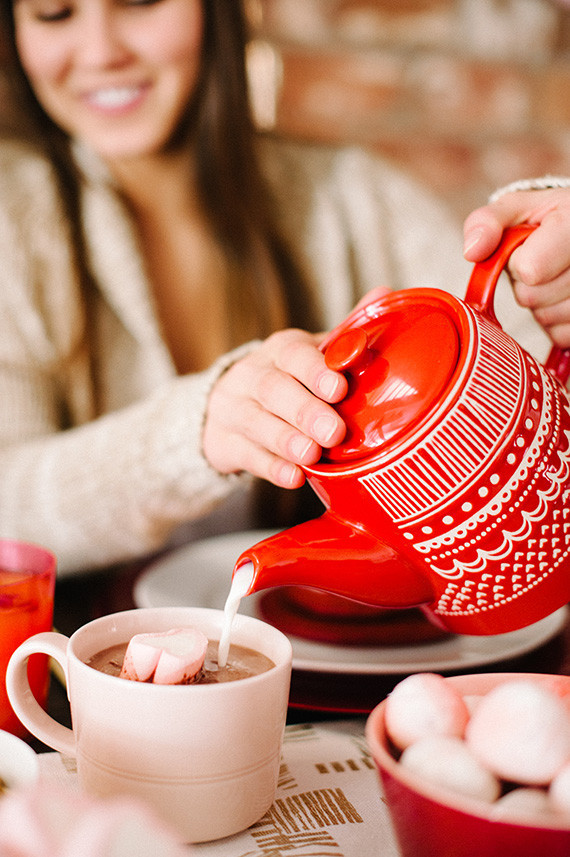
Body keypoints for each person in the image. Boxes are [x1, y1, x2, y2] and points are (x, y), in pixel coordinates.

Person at [0, 0, 568, 577]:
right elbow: (8, 507)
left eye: (140, 2)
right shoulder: (12, 221)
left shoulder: (348, 196)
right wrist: (195, 432)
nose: (101, 52)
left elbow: (540, 392)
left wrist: (555, 290)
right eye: (54, 13)